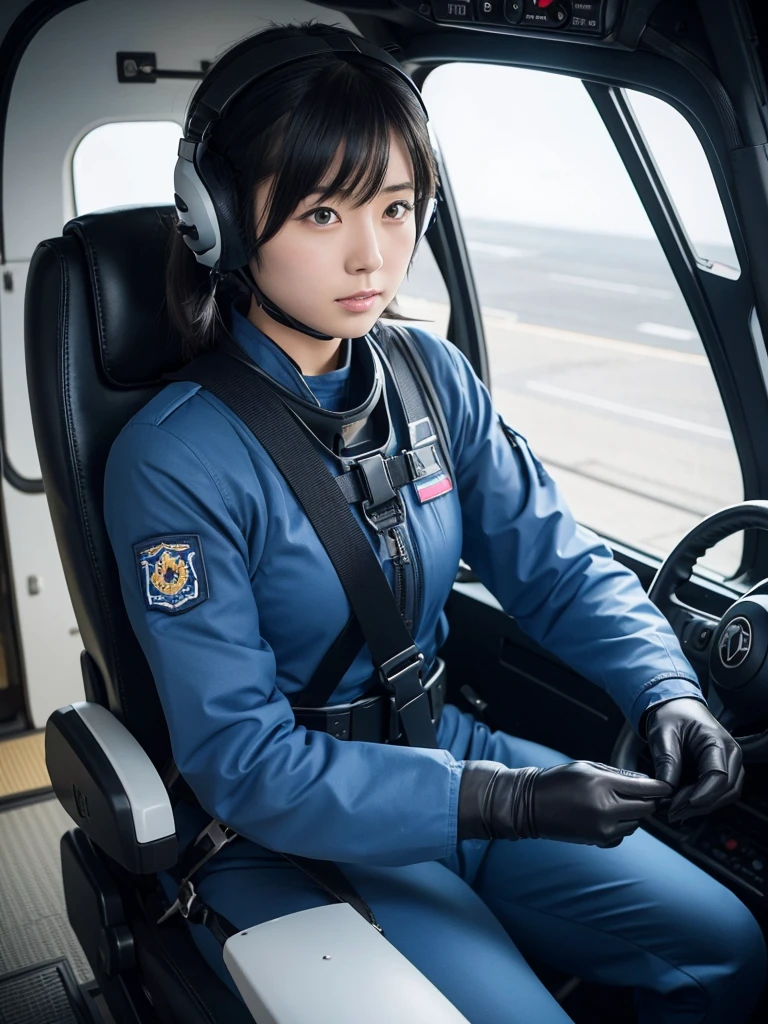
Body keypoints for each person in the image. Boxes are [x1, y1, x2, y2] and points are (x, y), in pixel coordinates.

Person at [103, 19, 766, 1024]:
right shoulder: (175, 456)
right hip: (287, 829)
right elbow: (243, 764)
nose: (375, 255)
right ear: (222, 223)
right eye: (324, 213)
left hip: (444, 756)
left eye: (397, 207)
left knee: (726, 948)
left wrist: (667, 688)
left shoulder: (431, 378)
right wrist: (509, 797)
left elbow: (557, 566)